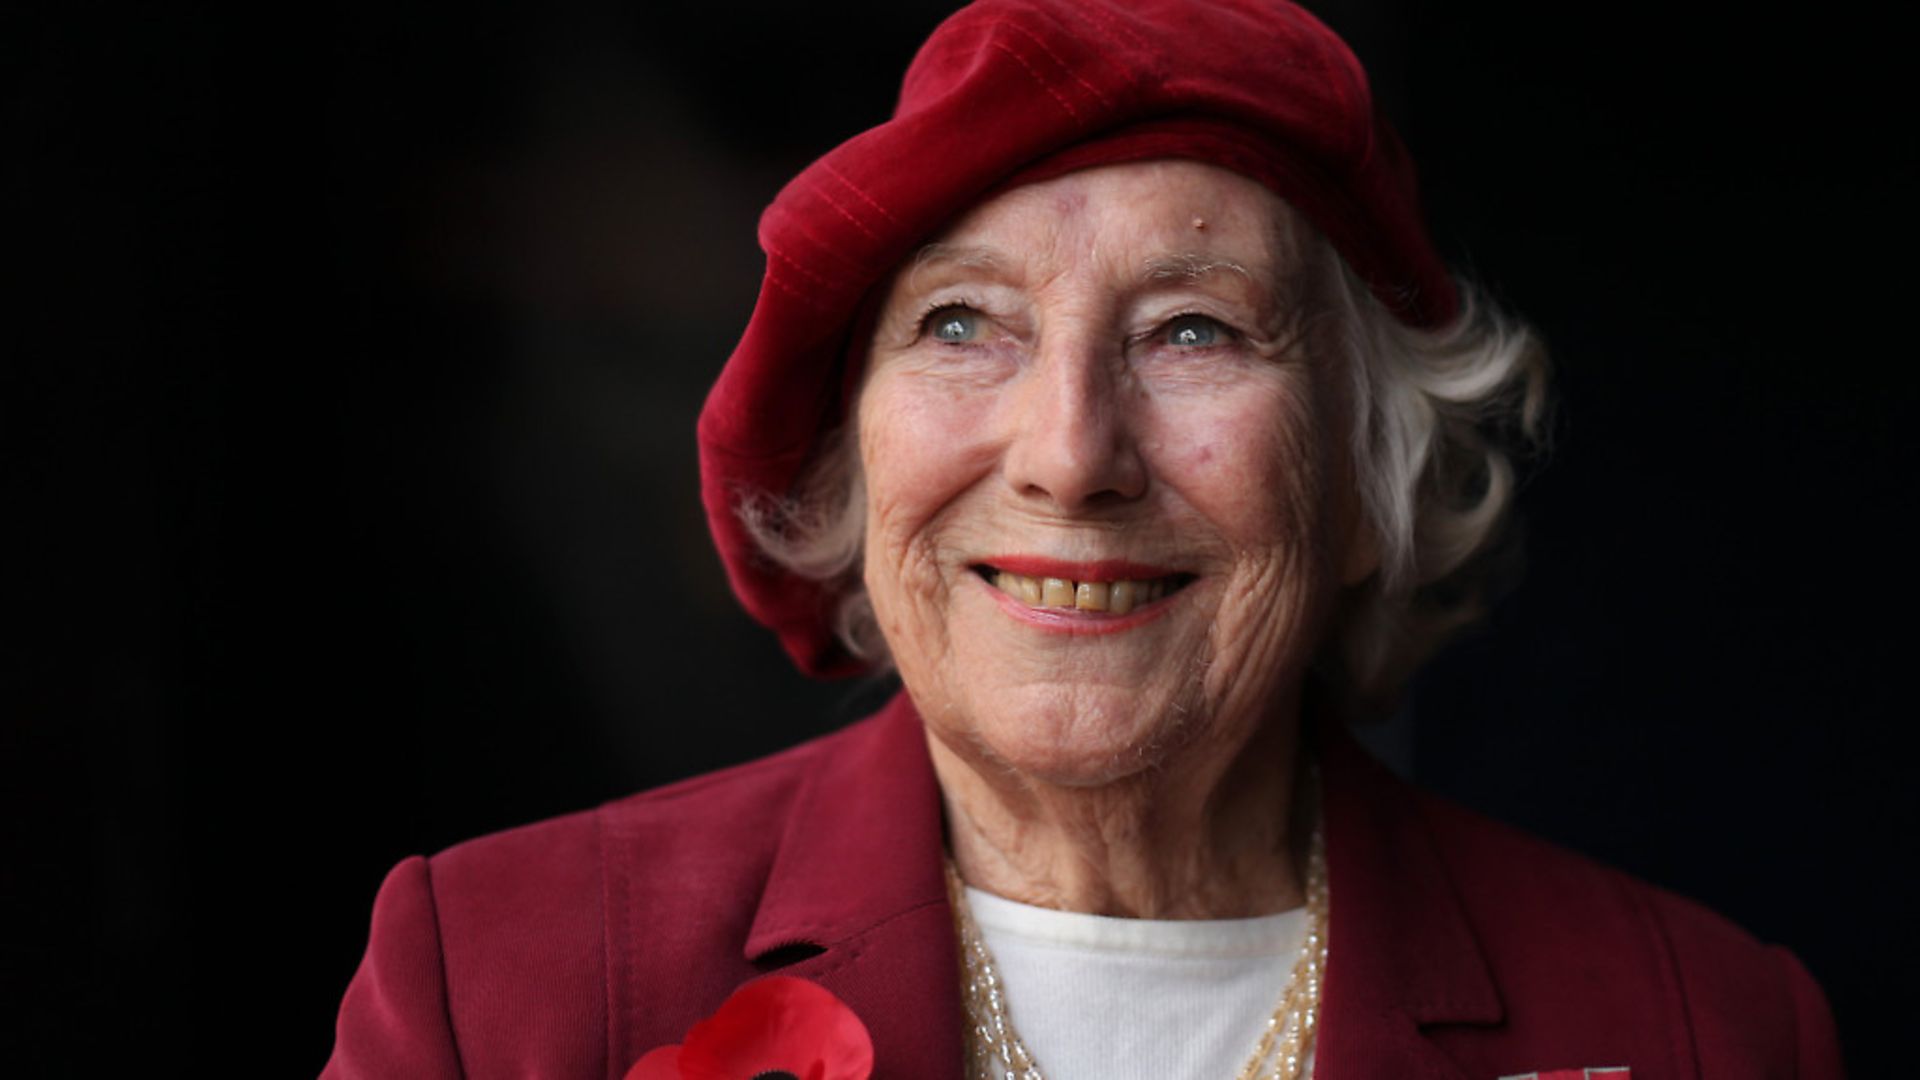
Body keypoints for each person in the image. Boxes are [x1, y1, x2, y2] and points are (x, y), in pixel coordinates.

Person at [322, 1, 1845, 1077]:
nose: (1069, 455)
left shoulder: (1709, 1029)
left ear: (1367, 484)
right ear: (852, 473)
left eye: (1192, 329)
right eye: (964, 324)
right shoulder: (494, 984)